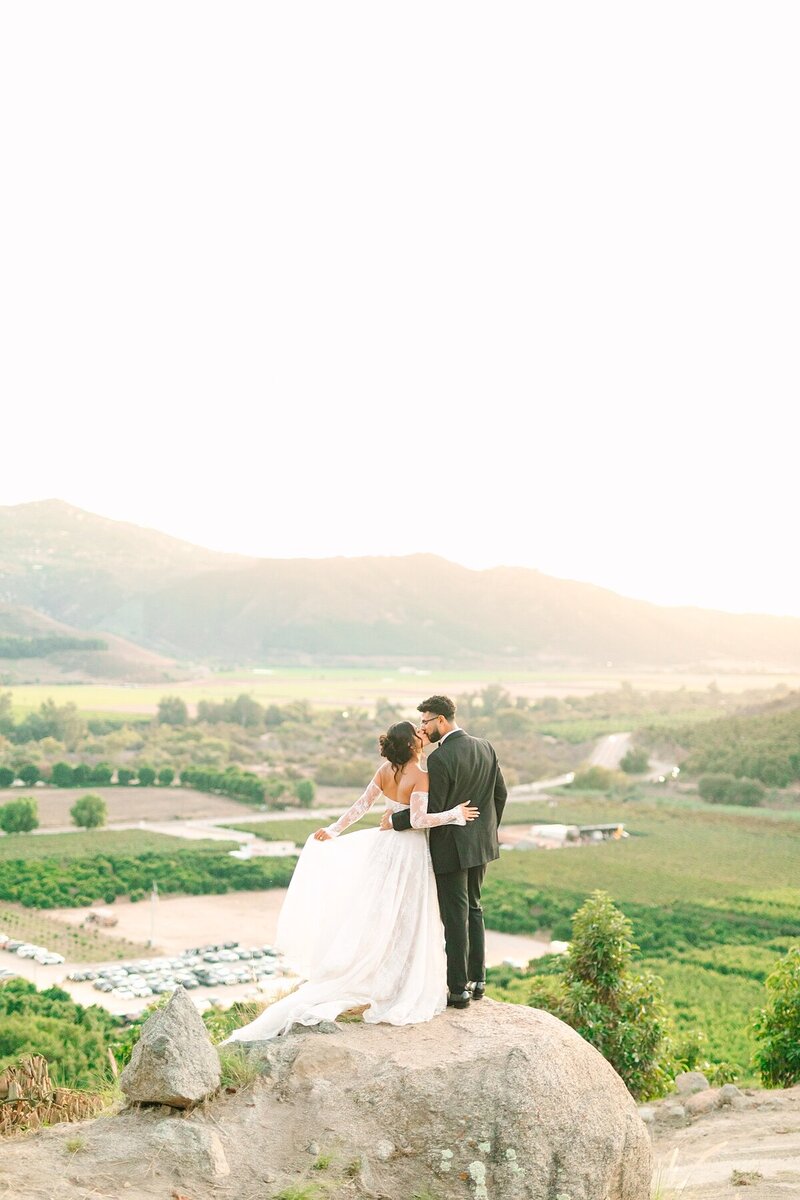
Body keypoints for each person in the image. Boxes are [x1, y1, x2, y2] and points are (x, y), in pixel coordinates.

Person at [223, 720, 478, 1042]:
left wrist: (334, 830)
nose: (422, 736)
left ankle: (380, 972)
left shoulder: (386, 771)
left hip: (383, 849)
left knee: (379, 912)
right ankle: (397, 981)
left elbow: (360, 806)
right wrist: (454, 814)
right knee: (408, 918)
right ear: (413, 745)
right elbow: (417, 820)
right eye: (418, 734)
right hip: (409, 853)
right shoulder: (421, 776)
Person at [382, 694, 506, 1008]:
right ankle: (477, 982)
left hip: (451, 846)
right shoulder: (485, 746)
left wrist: (394, 820)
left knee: (454, 917)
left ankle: (458, 990)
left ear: (441, 720)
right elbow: (500, 794)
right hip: (481, 844)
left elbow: (431, 809)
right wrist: (485, 832)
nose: (422, 729)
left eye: (425, 722)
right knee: (474, 910)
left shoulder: (440, 758)